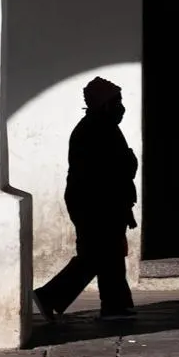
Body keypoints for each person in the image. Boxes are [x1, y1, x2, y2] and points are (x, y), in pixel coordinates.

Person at [33, 77, 138, 322]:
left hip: (104, 201)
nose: (121, 107)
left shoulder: (104, 126)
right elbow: (110, 168)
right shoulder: (94, 129)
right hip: (94, 203)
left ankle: (115, 305)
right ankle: (49, 296)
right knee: (96, 255)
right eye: (116, 102)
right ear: (104, 104)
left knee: (109, 253)